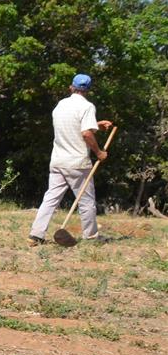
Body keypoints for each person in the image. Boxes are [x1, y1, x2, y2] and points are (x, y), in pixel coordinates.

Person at [27, 74, 113, 246]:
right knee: (87, 201)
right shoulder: (87, 107)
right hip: (77, 163)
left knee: (50, 198)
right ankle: (91, 237)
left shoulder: (61, 105)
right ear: (88, 90)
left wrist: (95, 124)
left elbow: (72, 126)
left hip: (58, 160)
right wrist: (98, 152)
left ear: (71, 87)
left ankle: (36, 234)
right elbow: (85, 133)